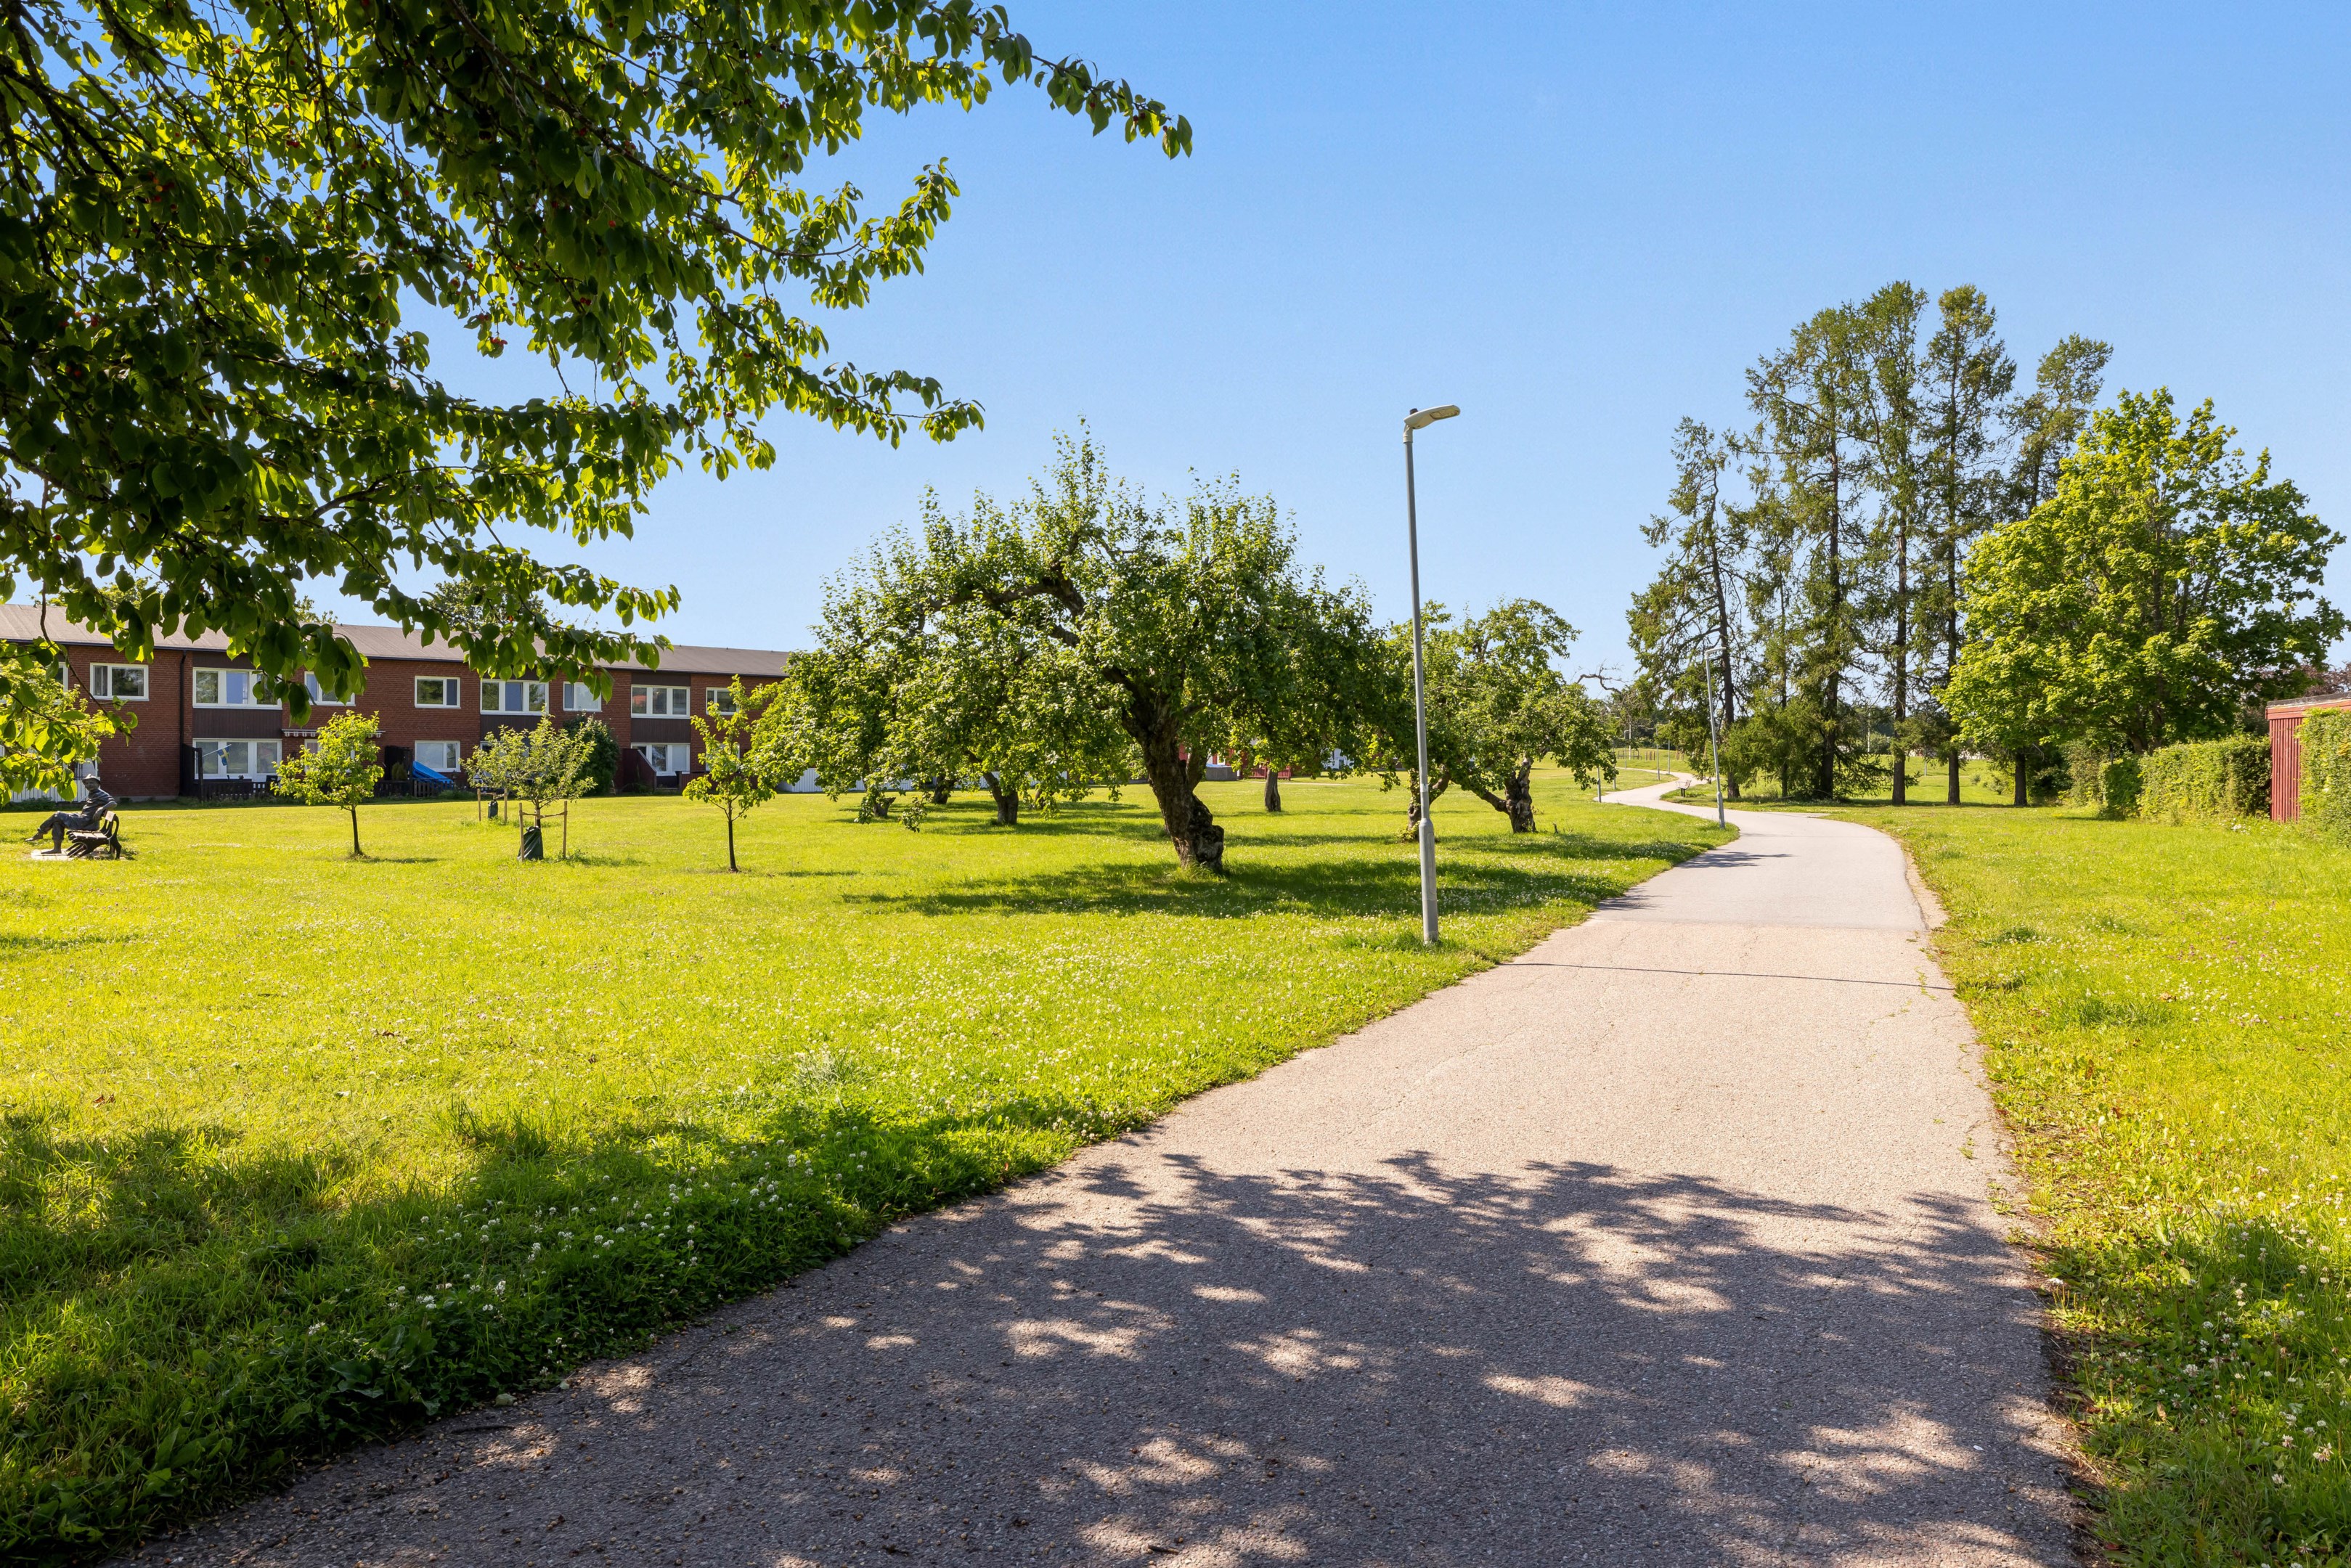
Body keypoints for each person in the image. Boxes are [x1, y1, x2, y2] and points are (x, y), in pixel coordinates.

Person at [28, 779, 116, 854]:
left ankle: (40, 834)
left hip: (87, 823)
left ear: (98, 784)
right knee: (57, 822)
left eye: (92, 783)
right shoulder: (93, 793)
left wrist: (101, 809)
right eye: (87, 783)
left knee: (58, 815)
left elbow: (113, 803)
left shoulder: (101, 794)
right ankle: (57, 849)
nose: (89, 785)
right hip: (85, 819)